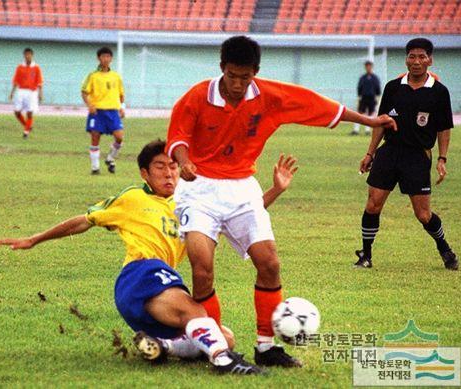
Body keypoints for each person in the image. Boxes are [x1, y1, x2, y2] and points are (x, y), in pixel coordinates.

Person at [165, 35, 397, 368]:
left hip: (242, 186)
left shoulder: (270, 96)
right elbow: (178, 136)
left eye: (246, 77)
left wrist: (370, 121)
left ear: (255, 73)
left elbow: (320, 107)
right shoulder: (198, 96)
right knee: (202, 270)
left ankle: (266, 347)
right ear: (222, 69)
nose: (238, 84)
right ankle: (217, 347)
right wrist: (185, 160)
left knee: (270, 263)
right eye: (232, 76)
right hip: (198, 188)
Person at [0, 140, 298, 374]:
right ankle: (223, 361)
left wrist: (276, 189)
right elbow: (83, 221)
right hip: (141, 275)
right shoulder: (132, 198)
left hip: (157, 296)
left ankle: (163, 346)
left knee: (225, 335)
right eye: (159, 167)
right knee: (204, 322)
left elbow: (240, 216)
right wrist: (35, 239)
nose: (169, 173)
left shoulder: (193, 206)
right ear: (144, 172)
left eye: (173, 166)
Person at [354, 38, 458, 271]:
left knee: (423, 214)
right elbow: (381, 122)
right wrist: (370, 153)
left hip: (417, 156)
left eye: (422, 57)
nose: (417, 61)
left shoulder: (439, 92)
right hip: (389, 153)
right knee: (373, 205)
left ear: (430, 60)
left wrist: (442, 159)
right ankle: (366, 256)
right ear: (406, 59)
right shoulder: (393, 87)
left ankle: (445, 249)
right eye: (412, 56)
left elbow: (443, 128)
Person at [81, 47, 125, 175]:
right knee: (95, 138)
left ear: (111, 59)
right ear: (98, 58)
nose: (106, 59)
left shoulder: (116, 76)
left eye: (108, 56)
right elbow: (84, 92)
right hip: (97, 112)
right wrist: (90, 105)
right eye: (103, 56)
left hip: (113, 112)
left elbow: (121, 95)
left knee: (119, 138)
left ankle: (110, 158)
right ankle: (95, 168)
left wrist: (122, 107)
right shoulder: (93, 75)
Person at [9, 48, 43, 139]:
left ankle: (26, 132)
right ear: (24, 55)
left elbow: (39, 82)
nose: (27, 56)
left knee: (29, 113)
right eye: (26, 54)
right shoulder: (20, 67)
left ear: (32, 55)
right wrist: (12, 92)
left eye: (29, 54)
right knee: (16, 112)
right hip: (21, 91)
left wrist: (40, 93)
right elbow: (16, 81)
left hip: (32, 92)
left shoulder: (36, 67)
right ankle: (27, 126)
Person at [350, 60, 381, 136]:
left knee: (371, 114)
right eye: (367, 66)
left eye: (369, 66)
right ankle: (356, 130)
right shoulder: (362, 78)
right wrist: (359, 98)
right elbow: (359, 88)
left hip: (372, 98)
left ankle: (368, 130)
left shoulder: (375, 78)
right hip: (363, 98)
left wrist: (377, 98)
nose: (368, 67)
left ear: (372, 67)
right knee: (359, 113)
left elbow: (378, 89)